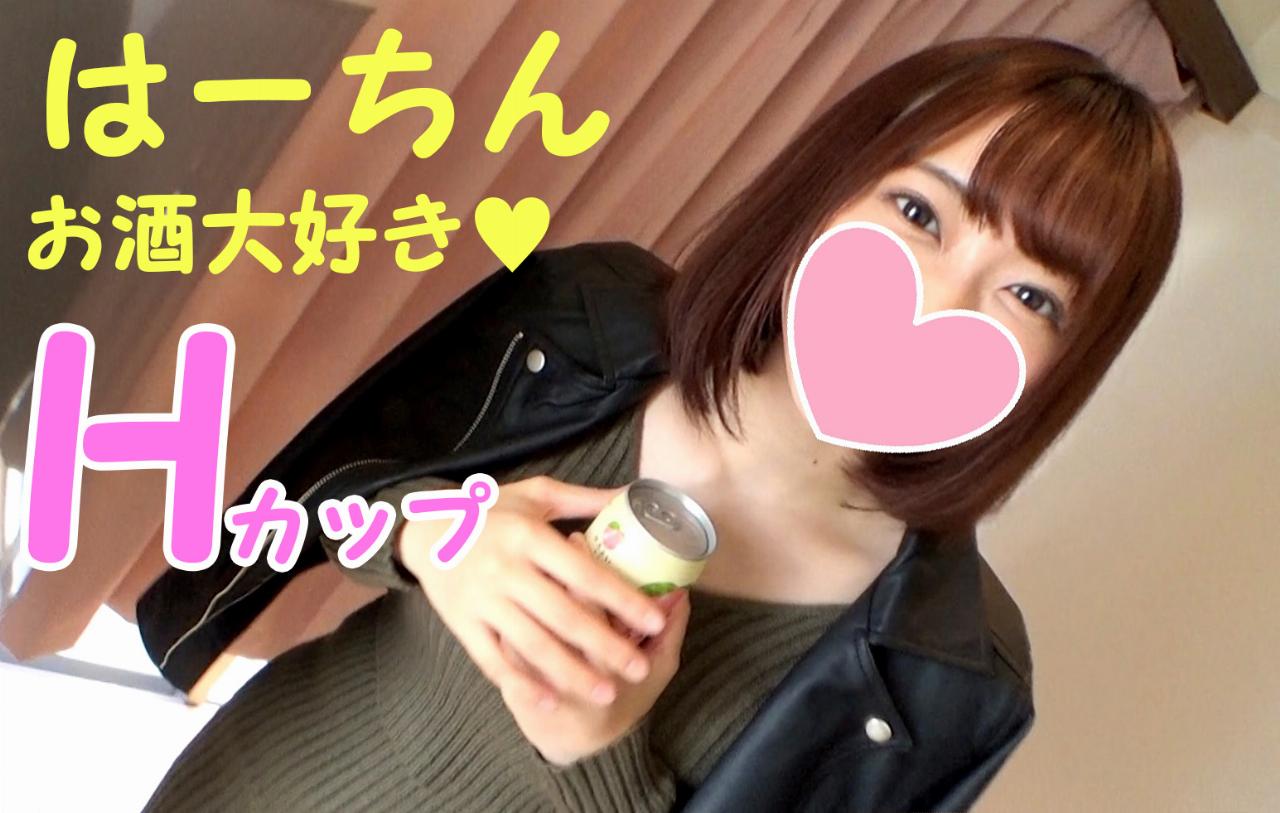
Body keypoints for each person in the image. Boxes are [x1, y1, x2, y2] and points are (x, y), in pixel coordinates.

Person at [143, 35, 1181, 812]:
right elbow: (322, 494)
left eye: (1030, 296)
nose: (939, 301)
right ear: (832, 186)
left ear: (1067, 363)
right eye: (919, 213)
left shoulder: (952, 677)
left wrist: (597, 751)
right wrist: (429, 535)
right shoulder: (584, 317)